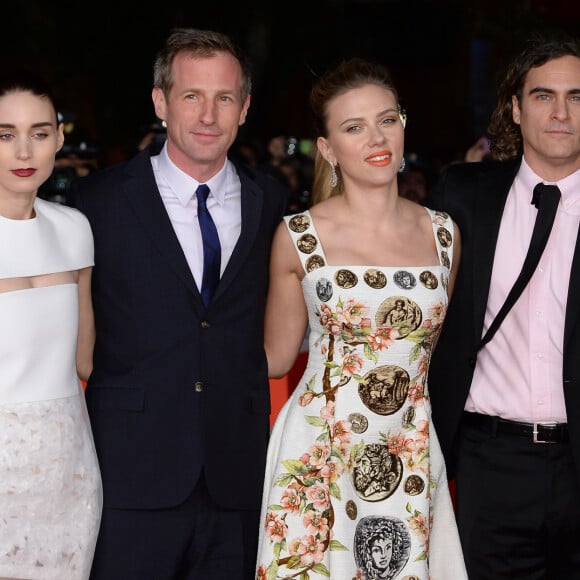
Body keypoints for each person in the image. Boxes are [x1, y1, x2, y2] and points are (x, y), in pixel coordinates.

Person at [70, 28, 288, 580]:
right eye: (192, 95)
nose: (208, 114)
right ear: (161, 102)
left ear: (244, 109)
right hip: (129, 473)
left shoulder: (273, 203)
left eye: (224, 98)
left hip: (237, 473)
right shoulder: (98, 202)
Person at [255, 57, 467, 579]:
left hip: (410, 445)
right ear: (327, 149)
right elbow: (276, 357)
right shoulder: (299, 237)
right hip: (319, 450)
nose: (376, 137)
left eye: (386, 119)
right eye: (354, 127)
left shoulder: (444, 235)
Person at [427, 34, 580, 578]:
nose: (560, 112)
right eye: (542, 96)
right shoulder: (463, 196)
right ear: (514, 108)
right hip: (490, 464)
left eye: (577, 97)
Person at [0, 70, 102, 579]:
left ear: (59, 139)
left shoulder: (74, 229)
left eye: (39, 133)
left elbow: (86, 360)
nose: (24, 152)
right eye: (5, 134)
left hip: (68, 471)